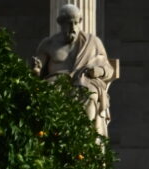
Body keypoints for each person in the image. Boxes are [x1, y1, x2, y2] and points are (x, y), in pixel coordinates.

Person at [33, 3, 115, 136]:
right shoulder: (48, 44)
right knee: (48, 95)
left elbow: (109, 69)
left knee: (91, 95)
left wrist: (99, 71)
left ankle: (86, 139)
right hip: (56, 84)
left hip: (83, 82)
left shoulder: (93, 42)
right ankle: (53, 140)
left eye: (76, 23)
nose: (73, 28)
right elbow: (38, 70)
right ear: (60, 23)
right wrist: (36, 70)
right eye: (69, 23)